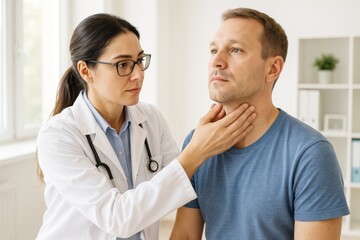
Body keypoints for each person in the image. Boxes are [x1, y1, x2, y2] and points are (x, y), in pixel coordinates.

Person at [35, 13, 257, 240]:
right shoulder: (58, 135)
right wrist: (196, 150)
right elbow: (118, 219)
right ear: (85, 71)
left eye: (139, 61)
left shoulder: (150, 118)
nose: (138, 75)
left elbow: (185, 185)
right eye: (123, 65)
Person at [170, 7, 350, 240]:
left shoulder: (309, 153)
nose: (216, 61)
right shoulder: (197, 144)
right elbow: (184, 235)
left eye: (235, 50)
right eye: (213, 50)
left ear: (272, 68)